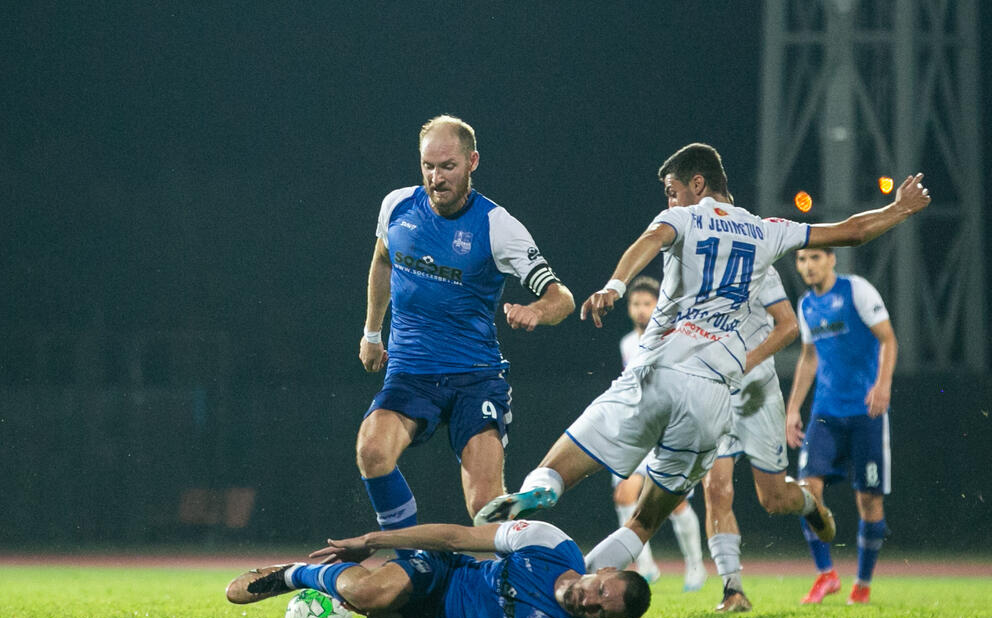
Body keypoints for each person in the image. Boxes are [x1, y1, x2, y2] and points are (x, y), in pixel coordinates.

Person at [473, 143, 929, 581]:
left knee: (561, 466)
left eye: (672, 189)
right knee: (646, 520)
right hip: (712, 394)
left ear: (696, 183)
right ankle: (578, 579)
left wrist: (615, 285)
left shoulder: (684, 217)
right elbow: (850, 231)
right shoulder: (768, 228)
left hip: (657, 371)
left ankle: (543, 490)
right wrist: (901, 209)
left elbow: (651, 239)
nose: (669, 199)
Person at [357, 115, 574, 535]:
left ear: (472, 161)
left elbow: (561, 297)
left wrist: (536, 311)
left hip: (475, 377)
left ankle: (514, 581)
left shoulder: (498, 227)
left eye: (447, 167)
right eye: (428, 166)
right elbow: (382, 260)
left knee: (485, 509)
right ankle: (411, 563)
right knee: (372, 451)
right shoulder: (397, 206)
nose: (436, 178)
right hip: (411, 372)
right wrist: (371, 333)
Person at [206, 519, 650, 618]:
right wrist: (371, 541)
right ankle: (294, 574)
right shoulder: (551, 543)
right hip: (441, 574)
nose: (589, 602)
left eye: (600, 612)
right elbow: (456, 538)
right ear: (604, 570)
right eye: (600, 590)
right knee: (372, 595)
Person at [785, 247, 897, 605]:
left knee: (869, 500)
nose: (807, 266)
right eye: (802, 260)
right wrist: (792, 410)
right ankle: (826, 574)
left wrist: (882, 385)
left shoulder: (856, 290)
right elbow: (809, 356)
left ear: (832, 259)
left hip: (865, 413)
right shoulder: (805, 305)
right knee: (806, 491)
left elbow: (888, 339)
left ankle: (862, 584)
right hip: (825, 413)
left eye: (815, 257)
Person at [701, 264, 803, 613]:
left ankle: (808, 503)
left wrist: (745, 362)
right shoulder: (691, 257)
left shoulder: (756, 261)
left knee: (774, 499)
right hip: (716, 393)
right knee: (716, 488)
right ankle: (732, 589)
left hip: (759, 392)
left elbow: (789, 325)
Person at [613, 275, 706, 589]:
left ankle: (695, 567)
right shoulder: (626, 343)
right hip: (639, 430)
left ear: (658, 306)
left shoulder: (672, 339)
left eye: (646, 304)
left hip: (667, 431)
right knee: (624, 493)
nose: (641, 310)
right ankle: (646, 565)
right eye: (635, 304)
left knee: (673, 501)